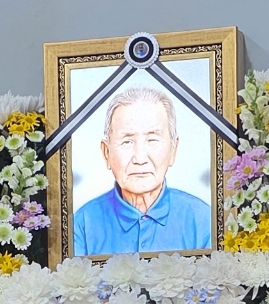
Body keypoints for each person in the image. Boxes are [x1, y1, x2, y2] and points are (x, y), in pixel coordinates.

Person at [71, 85, 213, 254]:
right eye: (127, 142)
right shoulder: (83, 223)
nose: (140, 158)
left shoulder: (204, 220)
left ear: (173, 149)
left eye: (152, 140)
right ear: (106, 152)